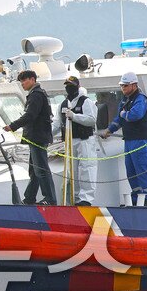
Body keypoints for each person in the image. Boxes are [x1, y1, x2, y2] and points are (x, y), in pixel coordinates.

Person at [99, 72, 147, 206]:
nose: (123, 88)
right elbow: (119, 119)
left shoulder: (141, 99)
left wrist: (124, 113)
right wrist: (109, 130)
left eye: (125, 85)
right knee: (131, 171)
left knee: (141, 169)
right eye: (122, 86)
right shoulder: (125, 100)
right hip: (129, 140)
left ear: (134, 85)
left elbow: (136, 115)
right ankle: (136, 198)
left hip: (140, 140)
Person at [4, 69, 57, 205]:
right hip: (36, 137)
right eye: (21, 81)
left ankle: (50, 200)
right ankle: (29, 198)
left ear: (32, 80)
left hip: (38, 137)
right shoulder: (37, 94)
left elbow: (30, 115)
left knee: (41, 170)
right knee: (34, 170)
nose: (22, 83)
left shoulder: (36, 95)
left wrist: (13, 126)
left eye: (24, 80)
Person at [53, 75, 98, 206]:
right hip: (70, 141)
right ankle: (76, 198)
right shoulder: (63, 104)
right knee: (72, 171)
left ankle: (86, 199)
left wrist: (74, 116)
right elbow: (57, 124)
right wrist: (46, 136)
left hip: (85, 141)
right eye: (67, 86)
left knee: (87, 168)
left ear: (78, 86)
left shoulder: (86, 102)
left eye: (71, 85)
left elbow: (91, 120)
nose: (68, 88)